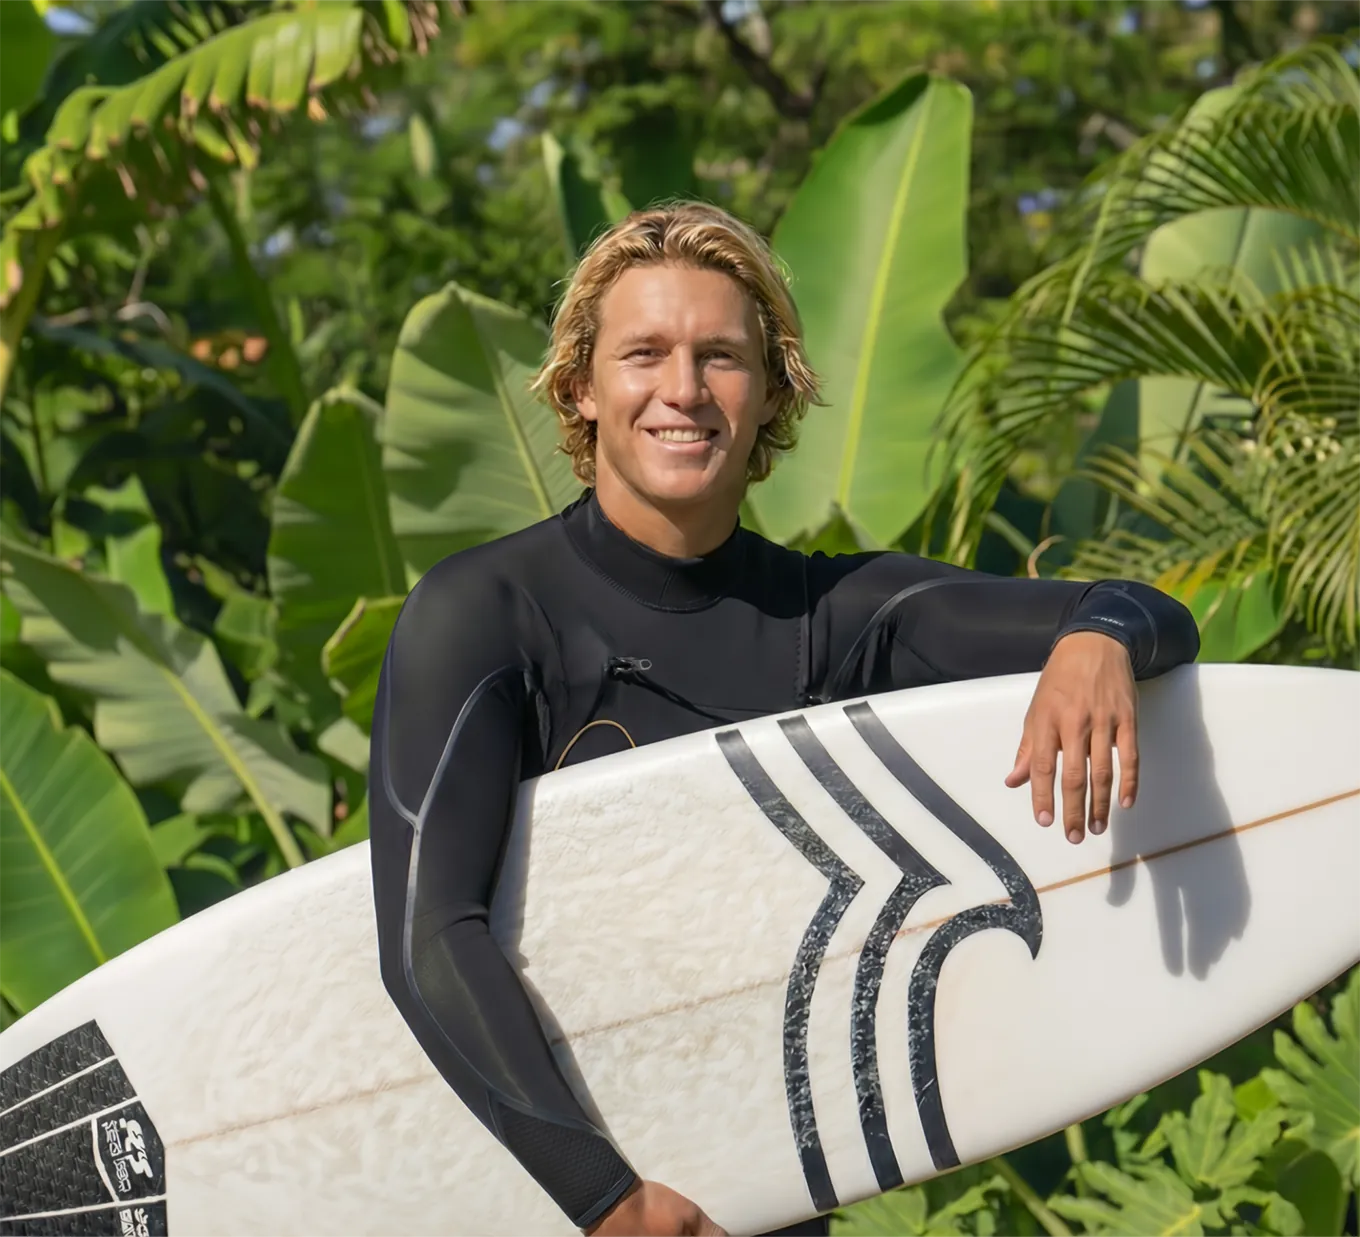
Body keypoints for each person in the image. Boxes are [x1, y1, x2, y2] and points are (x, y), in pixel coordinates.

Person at [368, 201, 1200, 1237]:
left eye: (720, 357)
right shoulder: (485, 612)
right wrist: (605, 1198)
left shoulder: (823, 617)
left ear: (770, 395)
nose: (683, 390)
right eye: (644, 355)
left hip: (752, 1197)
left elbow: (1141, 607)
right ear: (580, 387)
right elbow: (428, 938)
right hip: (553, 1192)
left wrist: (1098, 639)